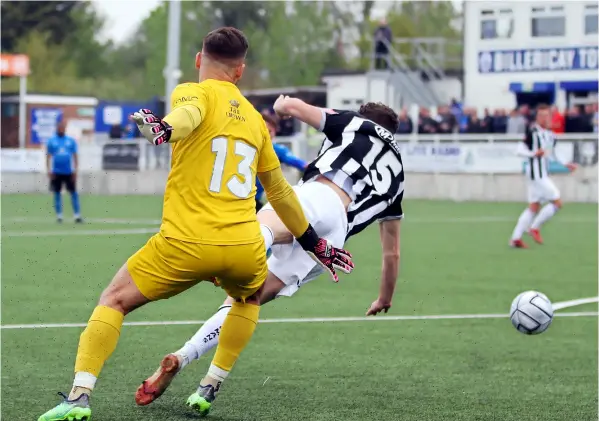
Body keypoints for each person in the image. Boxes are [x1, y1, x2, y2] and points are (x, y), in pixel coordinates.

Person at [38, 27, 354, 421]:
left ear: (199, 60)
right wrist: (314, 243)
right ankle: (209, 386)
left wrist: (166, 129)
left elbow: (188, 115)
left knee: (114, 300)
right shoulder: (257, 122)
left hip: (185, 243)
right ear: (240, 71)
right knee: (248, 299)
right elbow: (282, 194)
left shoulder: (194, 91)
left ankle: (79, 396)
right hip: (243, 246)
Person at [136, 98, 406, 410]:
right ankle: (202, 379)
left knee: (256, 237)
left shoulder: (353, 123)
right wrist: (384, 298)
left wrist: (280, 104)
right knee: (247, 301)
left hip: (317, 194)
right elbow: (392, 254)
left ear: (365, 118)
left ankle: (222, 266)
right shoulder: (398, 176)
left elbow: (291, 107)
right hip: (334, 238)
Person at [509, 104, 577, 248]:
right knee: (557, 202)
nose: (545, 118)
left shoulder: (550, 135)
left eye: (547, 115)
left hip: (542, 174)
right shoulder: (533, 132)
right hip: (536, 174)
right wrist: (533, 153)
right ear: (537, 117)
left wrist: (566, 163)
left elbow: (553, 153)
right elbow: (518, 150)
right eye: (542, 115)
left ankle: (516, 238)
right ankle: (534, 228)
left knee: (533, 207)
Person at [255, 113, 307, 212]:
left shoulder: (277, 151)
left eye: (269, 131)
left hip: (253, 201)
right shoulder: (243, 147)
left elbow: (299, 163)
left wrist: (315, 167)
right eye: (261, 131)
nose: (265, 135)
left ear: (275, 132)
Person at [46, 121, 82, 223]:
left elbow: (75, 156)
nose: (61, 129)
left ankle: (77, 215)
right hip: (56, 172)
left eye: (63, 127)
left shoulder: (70, 141)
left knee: (73, 193)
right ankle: (59, 216)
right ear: (57, 128)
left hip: (69, 171)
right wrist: (48, 170)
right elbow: (48, 157)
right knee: (57, 193)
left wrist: (76, 170)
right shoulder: (52, 141)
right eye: (60, 127)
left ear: (65, 128)